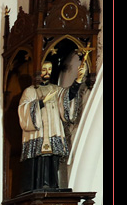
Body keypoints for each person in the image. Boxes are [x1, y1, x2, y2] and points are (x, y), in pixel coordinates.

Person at [18, 57, 88, 193]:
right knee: (39, 158)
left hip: (53, 131)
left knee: (52, 157)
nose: (47, 73)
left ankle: (52, 185)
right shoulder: (30, 91)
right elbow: (23, 111)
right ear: (38, 71)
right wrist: (41, 102)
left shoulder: (56, 89)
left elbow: (67, 98)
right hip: (38, 132)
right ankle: (37, 185)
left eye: (49, 69)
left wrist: (78, 81)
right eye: (44, 69)